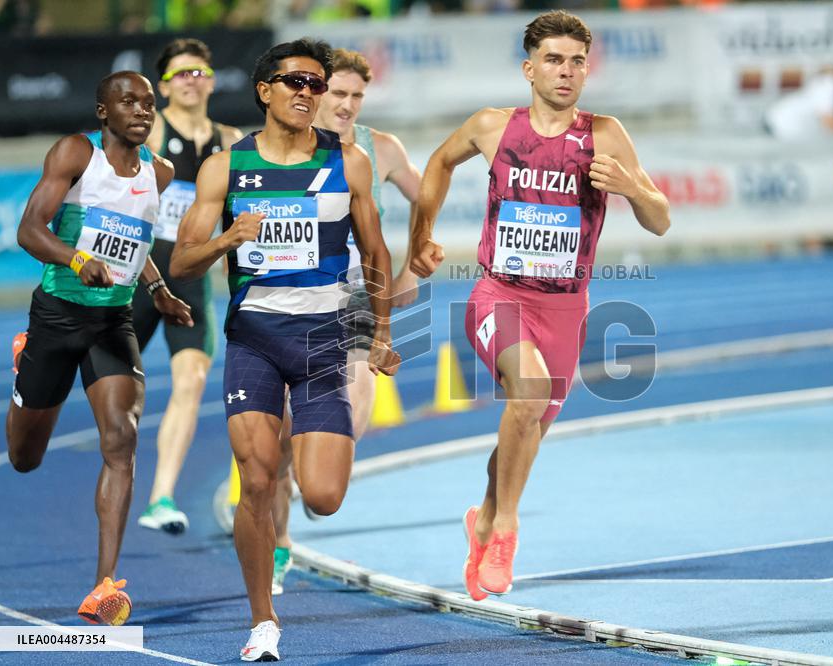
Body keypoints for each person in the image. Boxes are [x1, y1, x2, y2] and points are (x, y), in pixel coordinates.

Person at [409, 10, 669, 601]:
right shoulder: (493, 126)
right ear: (530, 68)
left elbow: (660, 220)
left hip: (566, 311)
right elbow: (439, 164)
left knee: (522, 434)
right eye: (554, 59)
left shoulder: (604, 134)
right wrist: (419, 233)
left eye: (577, 61)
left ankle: (484, 517)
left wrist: (632, 188)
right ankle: (504, 531)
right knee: (525, 396)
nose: (566, 71)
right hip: (498, 294)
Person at [169, 38, 400, 662]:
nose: (307, 92)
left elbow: (377, 253)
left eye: (316, 84)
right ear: (264, 89)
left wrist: (379, 334)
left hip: (326, 339)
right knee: (257, 480)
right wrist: (229, 241)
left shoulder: (348, 163)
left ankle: (299, 485)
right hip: (255, 341)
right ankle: (262, 623)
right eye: (295, 81)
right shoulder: (225, 168)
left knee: (323, 496)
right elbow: (180, 260)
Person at [6, 71, 193, 625]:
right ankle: (26, 360)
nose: (141, 111)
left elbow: (134, 242)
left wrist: (157, 290)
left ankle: (103, 586)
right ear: (102, 113)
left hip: (114, 320)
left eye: (149, 104)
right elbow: (29, 230)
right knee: (23, 458)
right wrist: (77, 260)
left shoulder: (160, 171)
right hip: (58, 316)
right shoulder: (75, 155)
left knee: (122, 435)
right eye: (127, 102)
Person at [268, 47, 423, 595]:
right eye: (339, 94)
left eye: (357, 96)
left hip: (359, 294)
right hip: (293, 298)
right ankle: (280, 545)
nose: (348, 105)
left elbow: (427, 195)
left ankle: (318, 471)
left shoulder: (381, 149)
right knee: (282, 430)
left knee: (355, 412)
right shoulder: (288, 145)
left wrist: (413, 265)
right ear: (315, 90)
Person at [133, 38, 243, 535]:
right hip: (136, 272)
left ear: (212, 79)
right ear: (164, 86)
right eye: (180, 74)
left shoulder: (232, 139)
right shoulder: (151, 129)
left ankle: (161, 498)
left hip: (190, 281)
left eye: (199, 71)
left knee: (191, 381)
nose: (191, 80)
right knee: (101, 379)